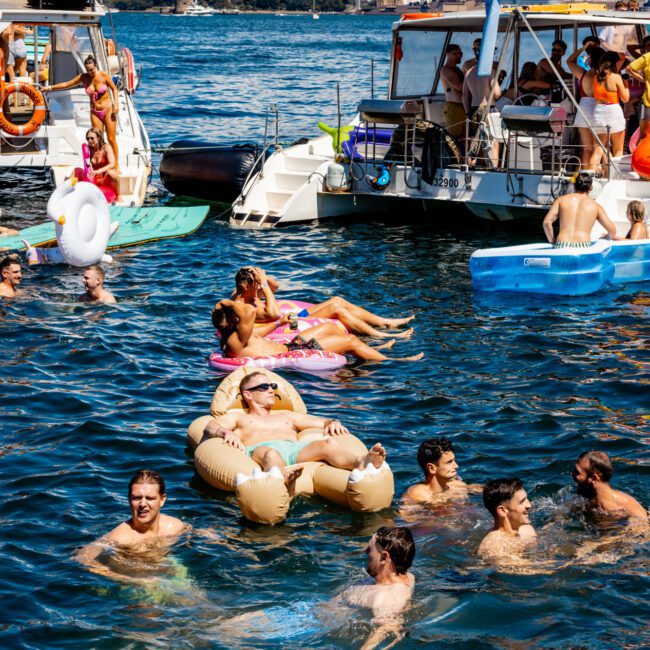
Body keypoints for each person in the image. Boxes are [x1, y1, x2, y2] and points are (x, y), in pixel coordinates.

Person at [200, 371, 389, 492]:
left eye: (272, 386)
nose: (271, 390)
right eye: (264, 387)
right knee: (271, 454)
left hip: (294, 451)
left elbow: (321, 421)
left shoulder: (286, 415)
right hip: (260, 451)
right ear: (248, 394)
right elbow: (211, 426)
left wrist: (332, 422)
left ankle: (361, 462)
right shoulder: (239, 417)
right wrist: (226, 433)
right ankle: (283, 481)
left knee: (328, 444)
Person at [212, 300, 423, 363]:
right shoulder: (234, 341)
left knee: (331, 326)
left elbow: (258, 334)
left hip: (292, 344)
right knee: (350, 341)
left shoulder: (236, 337)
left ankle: (376, 345)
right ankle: (392, 360)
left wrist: (278, 324)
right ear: (231, 322)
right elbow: (248, 310)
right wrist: (225, 301)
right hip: (292, 352)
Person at [232, 266, 415, 339]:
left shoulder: (240, 292)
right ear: (248, 286)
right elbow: (273, 314)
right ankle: (380, 335)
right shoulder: (247, 306)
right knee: (336, 308)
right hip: (288, 324)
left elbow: (275, 288)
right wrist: (262, 284)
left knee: (337, 299)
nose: (260, 289)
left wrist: (262, 277)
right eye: (256, 285)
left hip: (294, 316)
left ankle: (385, 322)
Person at [76, 470, 188, 582]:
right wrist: (126, 579)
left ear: (162, 499)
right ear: (129, 499)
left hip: (167, 568)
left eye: (149, 498)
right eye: (137, 498)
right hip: (139, 583)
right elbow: (81, 557)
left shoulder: (174, 526)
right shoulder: (122, 537)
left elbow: (193, 534)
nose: (143, 504)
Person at [335, 527, 415, 649]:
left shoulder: (386, 597)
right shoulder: (408, 577)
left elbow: (390, 629)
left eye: (370, 549)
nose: (366, 552)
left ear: (383, 557)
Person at [44, 55, 120, 170]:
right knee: (98, 140)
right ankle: (101, 163)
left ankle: (116, 165)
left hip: (108, 109)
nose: (90, 72)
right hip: (95, 111)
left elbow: (114, 88)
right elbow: (66, 84)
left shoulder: (103, 75)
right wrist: (49, 88)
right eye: (87, 70)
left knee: (111, 138)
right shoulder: (84, 77)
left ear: (96, 66)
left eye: (92, 70)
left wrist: (116, 105)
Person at [542, 172, 622, 247]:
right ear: (591, 188)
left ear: (574, 185)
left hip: (562, 244)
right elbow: (613, 232)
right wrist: (606, 236)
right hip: (583, 246)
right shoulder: (596, 206)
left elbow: (546, 222)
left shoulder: (561, 200)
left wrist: (552, 241)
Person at [401, 437, 479, 506]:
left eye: (454, 460)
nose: (456, 466)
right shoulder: (416, 495)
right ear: (431, 468)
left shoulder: (457, 486)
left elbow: (485, 491)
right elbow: (406, 520)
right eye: (449, 462)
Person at [572, 451, 648, 520]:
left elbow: (642, 529)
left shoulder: (615, 509)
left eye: (577, 472)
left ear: (594, 478)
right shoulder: (585, 492)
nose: (572, 474)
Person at [477, 478, 536, 561]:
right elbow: (527, 571)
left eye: (526, 499)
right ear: (503, 510)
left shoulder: (525, 529)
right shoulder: (496, 549)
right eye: (522, 502)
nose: (529, 505)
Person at [567, 45, 606, 170]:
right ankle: (598, 179)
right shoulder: (605, 76)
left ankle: (585, 178)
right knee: (598, 149)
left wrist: (584, 47)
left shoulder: (583, 74)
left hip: (584, 110)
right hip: (598, 109)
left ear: (590, 59)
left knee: (586, 149)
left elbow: (569, 61)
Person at [590, 51, 629, 161]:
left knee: (597, 152)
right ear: (614, 63)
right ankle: (616, 178)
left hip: (598, 112)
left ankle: (590, 176)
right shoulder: (616, 77)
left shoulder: (596, 77)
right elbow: (625, 99)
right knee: (618, 150)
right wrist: (626, 85)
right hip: (613, 111)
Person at [76, 128, 120, 201]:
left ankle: (119, 195)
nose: (89, 140)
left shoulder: (106, 147)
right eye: (88, 138)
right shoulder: (88, 149)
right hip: (94, 179)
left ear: (99, 138)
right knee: (76, 170)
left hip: (105, 179)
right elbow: (87, 165)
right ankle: (65, 191)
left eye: (92, 138)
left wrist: (99, 171)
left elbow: (113, 164)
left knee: (111, 173)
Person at [441, 44, 466, 139]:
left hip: (463, 107)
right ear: (451, 54)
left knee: (464, 137)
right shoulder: (446, 70)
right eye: (459, 53)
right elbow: (459, 86)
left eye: (461, 53)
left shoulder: (457, 69)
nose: (461, 56)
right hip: (454, 107)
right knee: (454, 138)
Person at [627, 41, 650, 138]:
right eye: (648, 45)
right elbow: (629, 48)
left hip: (646, 99)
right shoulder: (645, 57)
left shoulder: (646, 57)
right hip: (647, 100)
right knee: (644, 135)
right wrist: (643, 79)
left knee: (644, 135)